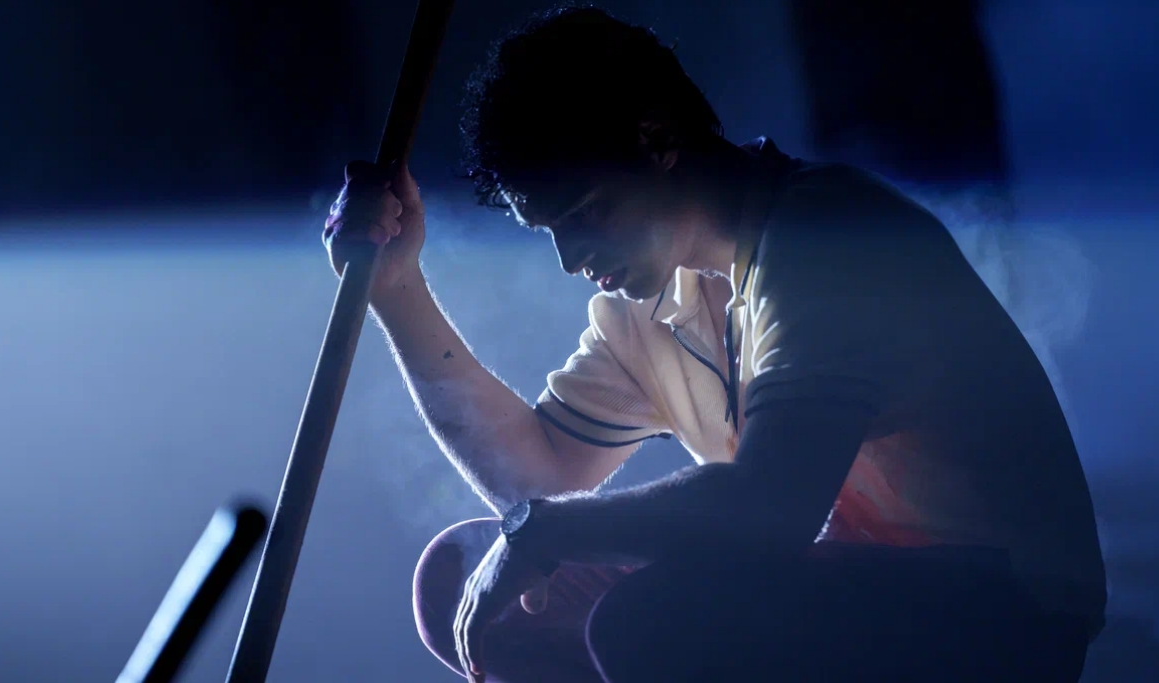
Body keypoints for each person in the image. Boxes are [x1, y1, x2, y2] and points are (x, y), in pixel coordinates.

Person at [323, 6, 1105, 682]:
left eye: (583, 213)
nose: (569, 259)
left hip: (1003, 607)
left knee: (657, 616)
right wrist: (396, 289)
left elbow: (773, 505)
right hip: (829, 587)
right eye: (548, 230)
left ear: (657, 137)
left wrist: (550, 529)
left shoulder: (828, 236)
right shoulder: (653, 300)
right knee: (463, 578)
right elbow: (537, 477)